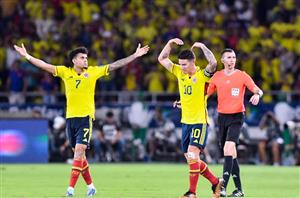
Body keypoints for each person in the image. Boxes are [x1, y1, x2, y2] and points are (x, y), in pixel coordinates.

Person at [14, 43, 149, 197]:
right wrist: (27, 56)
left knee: (78, 153)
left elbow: (114, 65)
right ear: (74, 60)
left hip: (85, 118)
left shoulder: (93, 72)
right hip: (70, 119)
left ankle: (70, 189)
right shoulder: (65, 72)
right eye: (82, 58)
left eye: (86, 57)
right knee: (80, 157)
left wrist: (134, 55)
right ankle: (91, 186)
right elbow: (45, 65)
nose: (86, 60)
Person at [158, 38, 223, 198]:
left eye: (185, 64)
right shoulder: (179, 72)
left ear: (193, 62)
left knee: (193, 155)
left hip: (199, 122)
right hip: (185, 123)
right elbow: (162, 59)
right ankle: (216, 182)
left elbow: (213, 63)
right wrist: (170, 43)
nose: (182, 66)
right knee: (191, 160)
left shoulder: (202, 75)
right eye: (180, 63)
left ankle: (191, 193)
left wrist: (202, 46)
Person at [207, 48, 263, 197]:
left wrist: (257, 95)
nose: (232, 60)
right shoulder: (217, 76)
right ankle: (239, 190)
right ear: (223, 61)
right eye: (229, 57)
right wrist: (185, 102)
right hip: (222, 118)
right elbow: (205, 94)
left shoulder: (242, 76)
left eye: (234, 57)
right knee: (231, 154)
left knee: (227, 148)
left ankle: (222, 186)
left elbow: (258, 90)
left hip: (237, 116)